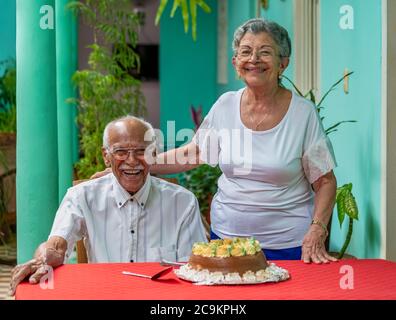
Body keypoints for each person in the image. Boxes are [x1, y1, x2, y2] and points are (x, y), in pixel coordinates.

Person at [91, 18, 338, 264]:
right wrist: (135, 166)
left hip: (288, 244)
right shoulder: (225, 105)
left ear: (283, 63)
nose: (254, 59)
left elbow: (325, 181)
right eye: (246, 52)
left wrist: (317, 230)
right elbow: (194, 153)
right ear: (235, 63)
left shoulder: (303, 113)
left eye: (265, 52)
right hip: (226, 241)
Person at [9, 116, 207, 295]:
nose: (131, 161)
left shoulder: (183, 202)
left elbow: (196, 267)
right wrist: (43, 260)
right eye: (121, 152)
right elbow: (56, 246)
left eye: (141, 152)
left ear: (153, 154)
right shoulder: (82, 196)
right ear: (106, 156)